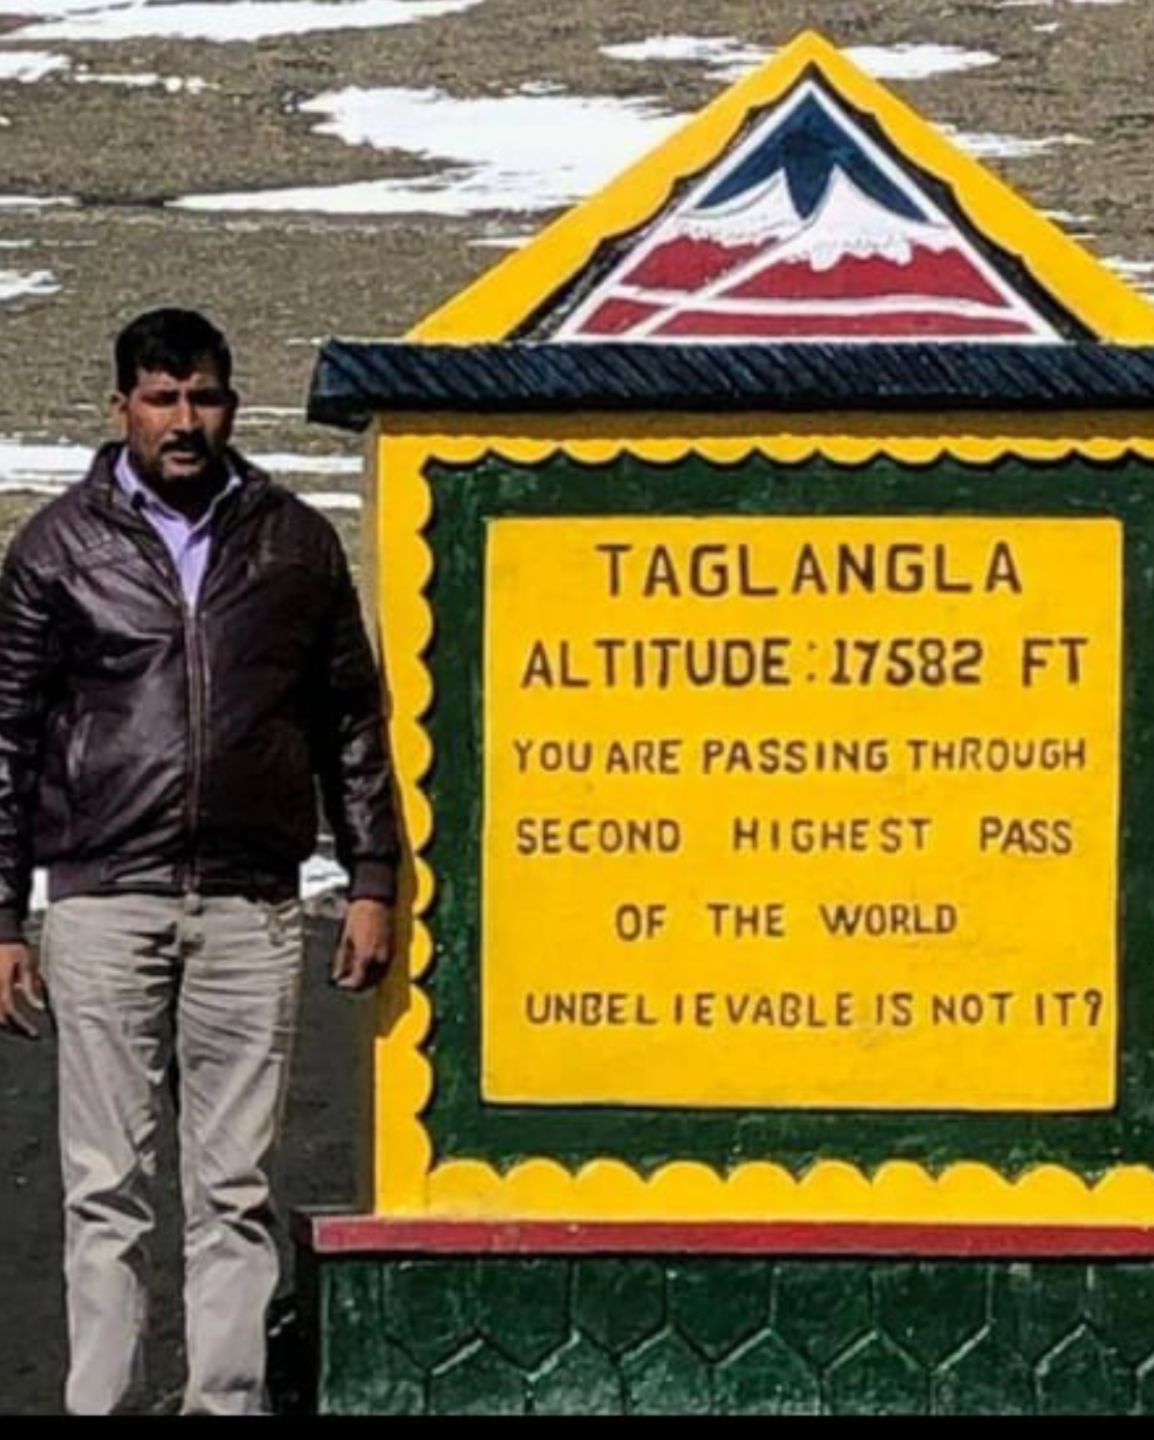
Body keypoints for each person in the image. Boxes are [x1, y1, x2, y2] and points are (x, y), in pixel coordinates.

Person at [0, 308, 399, 1415]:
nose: (185, 421)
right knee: (105, 1186)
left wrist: (370, 878)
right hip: (102, 902)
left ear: (231, 404)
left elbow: (350, 721)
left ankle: (225, 1402)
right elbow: (8, 739)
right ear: (121, 406)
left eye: (205, 397)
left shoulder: (294, 544)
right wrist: (2, 917)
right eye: (162, 398)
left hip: (250, 905)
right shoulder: (56, 549)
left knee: (234, 1186)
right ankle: (103, 1402)